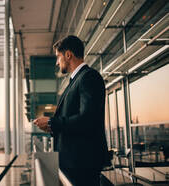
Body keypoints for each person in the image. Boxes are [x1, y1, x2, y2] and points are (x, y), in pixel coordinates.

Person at [33, 35, 109, 186]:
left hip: (82, 163)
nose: (56, 62)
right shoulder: (76, 81)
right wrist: (51, 126)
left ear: (68, 55)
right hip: (75, 162)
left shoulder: (89, 77)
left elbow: (87, 120)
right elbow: (76, 120)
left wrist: (51, 121)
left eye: (58, 57)